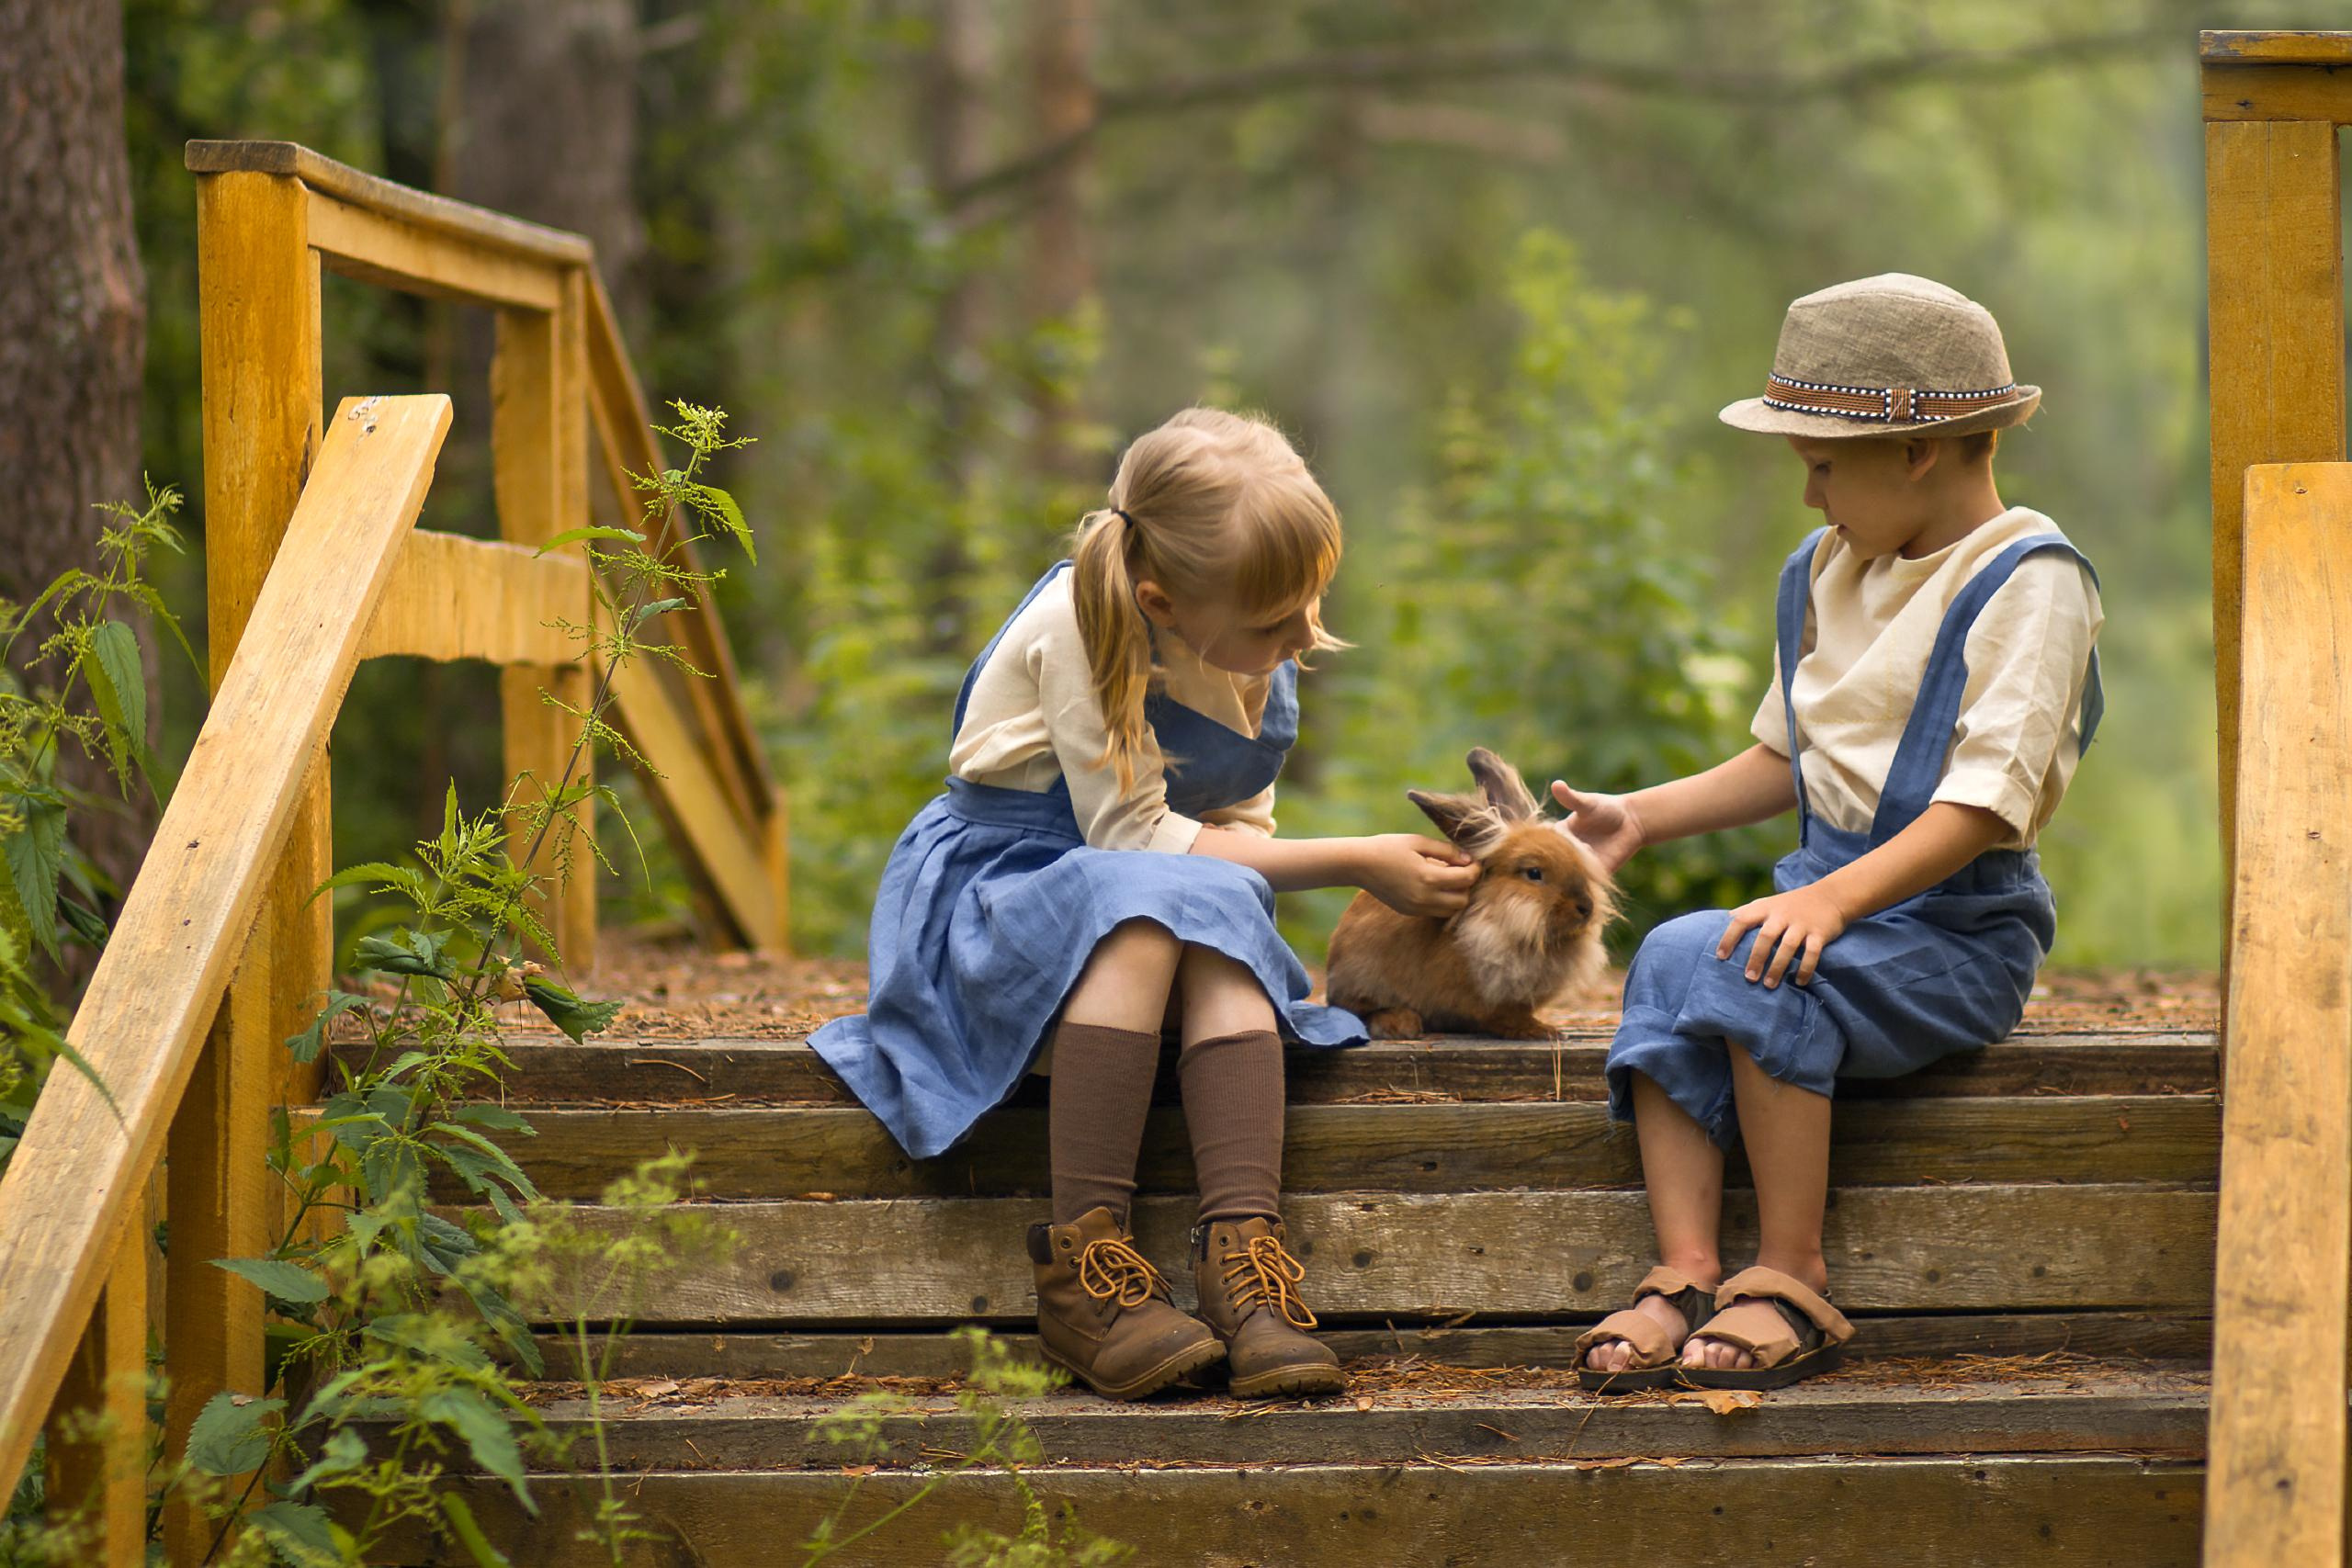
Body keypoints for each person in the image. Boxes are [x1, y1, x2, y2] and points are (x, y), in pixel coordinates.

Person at [810, 408, 1478, 1400]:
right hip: (1006, 895)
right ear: (1162, 600)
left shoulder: (1258, 642)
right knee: (1158, 899)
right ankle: (1088, 1272)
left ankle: (1241, 1255)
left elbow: (1233, 833)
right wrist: (1355, 859)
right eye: (1274, 624)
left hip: (1145, 884)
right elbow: (1127, 841)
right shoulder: (1079, 627)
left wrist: (1287, 855)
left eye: (1311, 606)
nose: (1304, 639)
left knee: (1203, 908)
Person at [1557, 276, 2104, 1392]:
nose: (1808, 496)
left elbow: (1983, 800)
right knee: (1670, 953)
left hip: (1951, 930)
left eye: (1821, 462)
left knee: (1763, 962)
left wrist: (1831, 903)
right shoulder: (1824, 571)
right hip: (1827, 901)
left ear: (1917, 448)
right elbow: (1785, 758)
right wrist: (1642, 817)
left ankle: (1788, 1274)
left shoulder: (2028, 584)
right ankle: (1683, 1266)